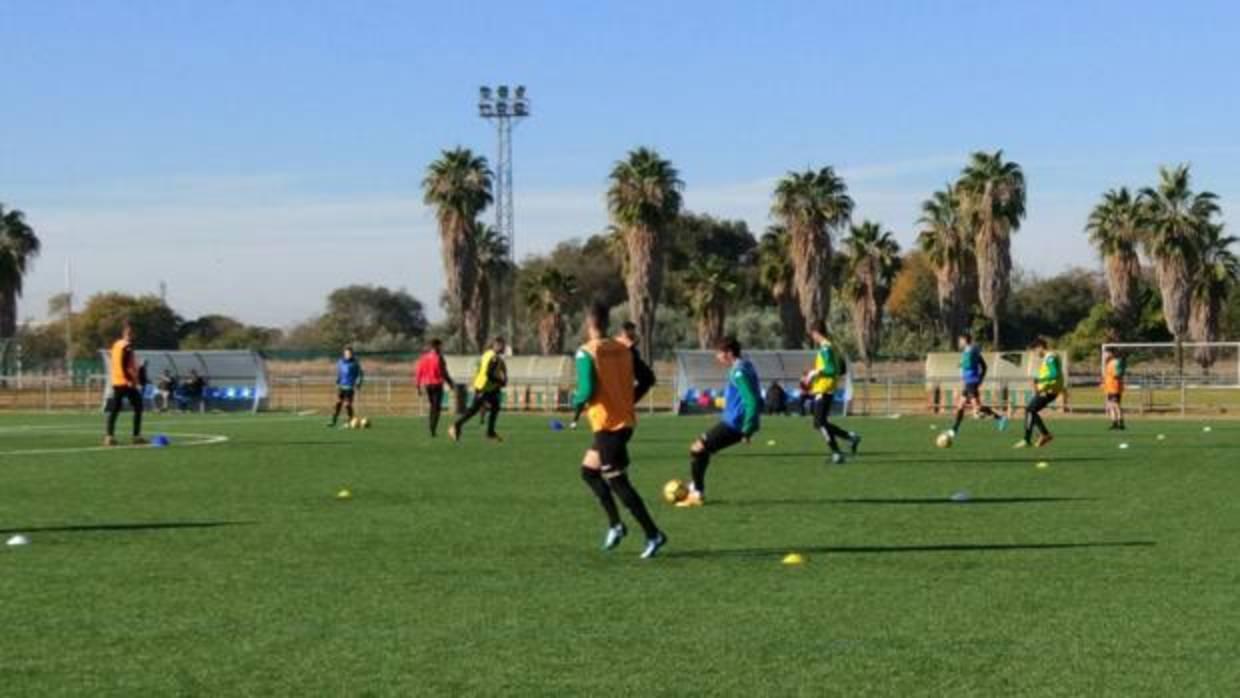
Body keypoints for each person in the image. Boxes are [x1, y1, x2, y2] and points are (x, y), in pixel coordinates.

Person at [573, 302, 667, 559]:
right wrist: (628, 400)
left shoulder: (585, 352)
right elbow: (647, 379)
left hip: (607, 426)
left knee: (617, 481)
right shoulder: (624, 349)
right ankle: (616, 525)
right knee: (589, 472)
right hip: (624, 423)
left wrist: (576, 402)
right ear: (606, 323)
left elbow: (586, 390)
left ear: (588, 323)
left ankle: (653, 534)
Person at [677, 336, 762, 508]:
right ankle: (696, 486)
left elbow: (752, 400)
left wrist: (747, 428)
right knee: (702, 451)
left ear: (729, 353)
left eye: (719, 353)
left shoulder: (738, 372)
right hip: (735, 422)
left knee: (697, 449)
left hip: (734, 425)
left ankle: (697, 493)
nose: (717, 357)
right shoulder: (746, 366)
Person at [571, 320, 654, 428]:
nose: (632, 334)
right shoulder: (619, 345)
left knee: (648, 379)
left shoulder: (625, 347)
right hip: (616, 411)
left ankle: (575, 420)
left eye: (633, 331)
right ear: (623, 332)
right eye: (630, 331)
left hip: (615, 411)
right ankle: (575, 420)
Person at [808, 322, 860, 464]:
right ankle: (850, 438)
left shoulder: (825, 348)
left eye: (812, 334)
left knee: (819, 423)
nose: (812, 337)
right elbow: (840, 369)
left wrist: (816, 372)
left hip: (824, 389)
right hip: (826, 388)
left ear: (816, 333)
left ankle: (837, 452)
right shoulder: (831, 347)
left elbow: (831, 370)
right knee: (820, 423)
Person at [948, 332, 1008, 437]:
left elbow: (970, 364)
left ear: (964, 340)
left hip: (971, 382)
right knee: (960, 406)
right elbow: (984, 366)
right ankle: (954, 430)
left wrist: (962, 364)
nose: (959, 343)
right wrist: (980, 379)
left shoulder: (971, 351)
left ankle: (1000, 418)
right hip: (969, 382)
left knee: (977, 407)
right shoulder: (972, 350)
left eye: (960, 340)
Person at [450, 336, 508, 442]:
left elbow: (480, 368)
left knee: (495, 406)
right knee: (473, 410)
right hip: (483, 387)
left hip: (486, 387)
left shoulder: (487, 354)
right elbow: (488, 374)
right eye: (503, 345)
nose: (504, 347)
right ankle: (456, 426)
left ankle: (490, 432)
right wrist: (500, 381)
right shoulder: (494, 357)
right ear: (497, 345)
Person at [1016, 337, 1064, 448]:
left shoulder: (1050, 357)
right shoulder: (1049, 357)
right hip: (1047, 389)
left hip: (1049, 390)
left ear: (1040, 347)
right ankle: (1042, 435)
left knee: (1030, 410)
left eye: (1034, 350)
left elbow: (1054, 373)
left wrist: (1039, 380)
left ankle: (1033, 437)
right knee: (1030, 411)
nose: (1034, 353)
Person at [104, 323, 146, 446]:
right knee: (138, 406)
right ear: (125, 334)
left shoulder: (116, 344)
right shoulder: (127, 346)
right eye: (129, 333)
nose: (131, 336)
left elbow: (117, 362)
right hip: (126, 382)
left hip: (117, 381)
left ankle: (109, 437)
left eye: (131, 333)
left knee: (116, 409)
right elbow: (123, 363)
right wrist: (129, 379)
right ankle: (136, 436)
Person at [415, 338, 455, 437]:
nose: (441, 348)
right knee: (436, 408)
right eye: (440, 346)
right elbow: (443, 372)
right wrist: (450, 383)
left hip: (427, 385)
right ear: (436, 346)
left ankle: (431, 427)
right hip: (437, 384)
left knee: (433, 406)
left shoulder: (424, 357)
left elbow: (419, 372)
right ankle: (433, 428)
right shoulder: (439, 357)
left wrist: (418, 386)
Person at [328, 346, 364, 428]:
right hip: (341, 386)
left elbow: (360, 374)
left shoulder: (355, 363)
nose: (348, 354)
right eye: (347, 353)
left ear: (352, 354)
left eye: (350, 353)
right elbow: (339, 373)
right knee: (338, 403)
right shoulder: (340, 362)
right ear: (344, 354)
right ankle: (333, 420)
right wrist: (337, 380)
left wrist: (358, 383)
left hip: (350, 387)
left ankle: (350, 420)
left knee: (347, 405)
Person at [1103, 347, 1126, 430]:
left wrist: (1117, 375)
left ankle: (1121, 422)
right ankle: (1114, 422)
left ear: (1111, 353)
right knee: (1110, 405)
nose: (1104, 355)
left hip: (1115, 386)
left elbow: (1119, 373)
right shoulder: (1109, 362)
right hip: (1109, 387)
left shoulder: (1116, 362)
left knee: (1116, 405)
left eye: (1106, 353)